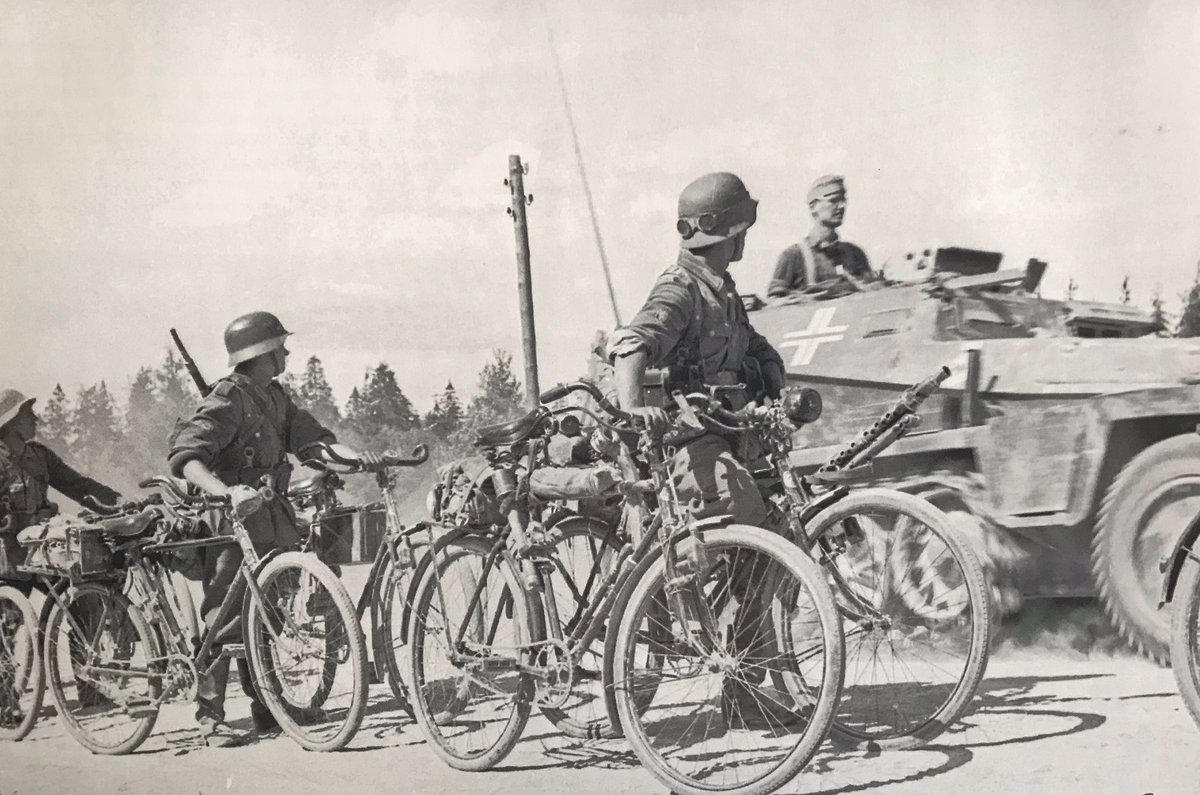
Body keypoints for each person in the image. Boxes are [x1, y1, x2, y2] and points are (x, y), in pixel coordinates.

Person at [167, 311, 381, 748]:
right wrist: (226, 493)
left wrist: (360, 459)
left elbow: (314, 441)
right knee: (223, 618)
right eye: (279, 347)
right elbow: (188, 458)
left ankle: (267, 707)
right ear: (261, 353)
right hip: (233, 523)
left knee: (267, 615)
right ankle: (209, 716)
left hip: (273, 519)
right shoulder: (228, 397)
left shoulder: (275, 397)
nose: (286, 352)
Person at [766, 174, 873, 302]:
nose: (841, 206)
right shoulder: (793, 256)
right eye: (833, 201)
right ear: (813, 206)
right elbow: (774, 304)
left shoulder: (855, 254)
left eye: (843, 201)